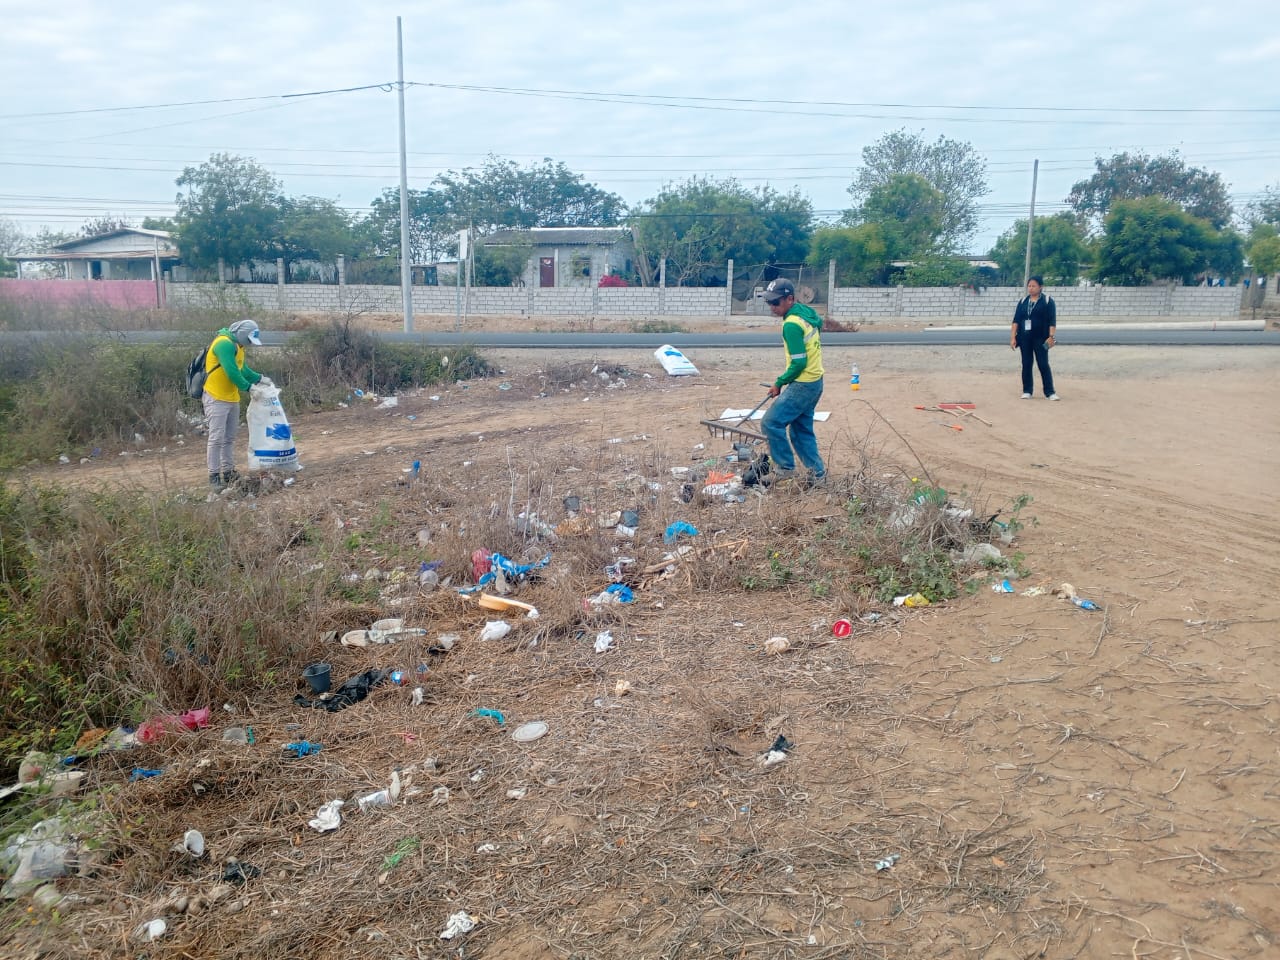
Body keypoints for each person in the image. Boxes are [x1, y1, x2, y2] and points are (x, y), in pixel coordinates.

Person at [761, 279, 826, 486]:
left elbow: (799, 362)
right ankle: (818, 476)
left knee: (771, 422)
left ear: (790, 299)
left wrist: (779, 382)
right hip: (816, 381)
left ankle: (784, 468)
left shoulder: (791, 324)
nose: (772, 307)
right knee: (801, 431)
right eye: (769, 302)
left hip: (803, 384)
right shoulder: (805, 314)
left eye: (776, 302)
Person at [202, 318, 271, 489]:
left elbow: (243, 369)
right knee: (216, 438)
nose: (249, 343)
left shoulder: (238, 346)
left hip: (232, 397)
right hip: (216, 397)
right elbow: (231, 371)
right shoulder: (223, 344)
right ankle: (214, 476)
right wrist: (249, 388)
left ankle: (228, 472)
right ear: (242, 334)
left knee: (229, 438)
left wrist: (260, 378)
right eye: (249, 339)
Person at [1010, 276, 1059, 400]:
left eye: (1033, 286)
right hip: (1024, 338)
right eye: (1029, 286)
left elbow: (1052, 321)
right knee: (1026, 363)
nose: (1031, 288)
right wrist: (1013, 337)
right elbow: (1016, 320)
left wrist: (1051, 337)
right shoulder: (1023, 301)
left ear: (1040, 287)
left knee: (1043, 364)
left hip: (1041, 338)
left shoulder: (1047, 301)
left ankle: (1050, 392)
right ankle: (1027, 391)